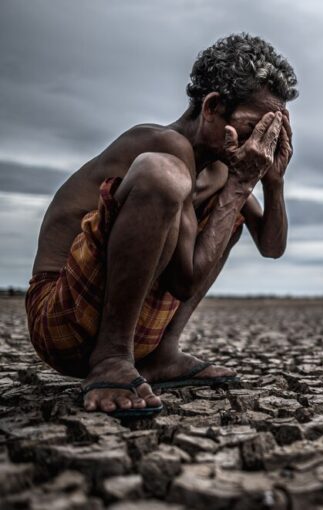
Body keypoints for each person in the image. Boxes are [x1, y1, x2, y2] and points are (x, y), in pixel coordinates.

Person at [24, 33, 297, 417]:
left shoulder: (220, 170)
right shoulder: (164, 145)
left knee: (227, 211)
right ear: (213, 107)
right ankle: (111, 358)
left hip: (138, 331)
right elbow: (182, 281)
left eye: (272, 133)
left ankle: (162, 354)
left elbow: (272, 247)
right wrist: (239, 184)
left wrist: (273, 180)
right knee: (162, 175)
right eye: (257, 128)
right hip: (63, 319)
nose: (261, 144)